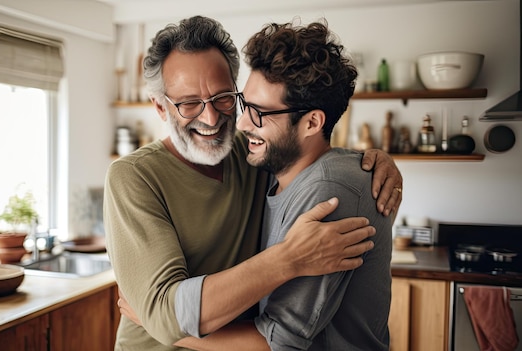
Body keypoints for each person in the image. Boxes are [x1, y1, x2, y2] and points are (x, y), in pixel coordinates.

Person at [104, 15, 402, 351]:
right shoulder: (133, 178)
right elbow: (166, 317)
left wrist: (372, 162)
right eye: (189, 103)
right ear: (160, 106)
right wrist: (289, 258)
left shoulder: (253, 156)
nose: (212, 118)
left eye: (224, 98)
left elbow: (305, 146)